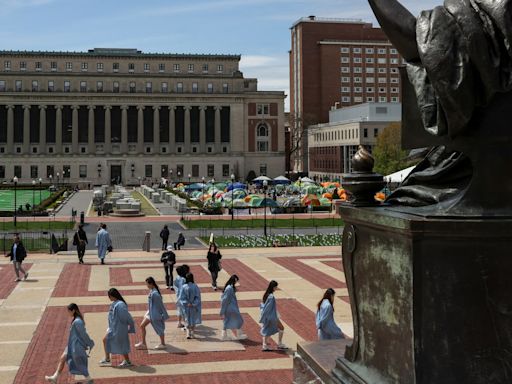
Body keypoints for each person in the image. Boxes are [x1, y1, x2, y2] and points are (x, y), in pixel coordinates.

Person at [45, 303, 94, 384]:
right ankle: (55, 377)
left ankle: (89, 379)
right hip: (71, 345)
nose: (68, 313)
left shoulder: (78, 321)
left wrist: (90, 343)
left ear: (73, 310)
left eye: (68, 311)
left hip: (76, 346)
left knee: (79, 363)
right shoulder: (76, 320)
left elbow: (84, 334)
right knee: (62, 358)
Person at [99, 288, 135, 368]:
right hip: (114, 328)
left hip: (119, 328)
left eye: (109, 296)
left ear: (112, 296)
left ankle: (126, 361)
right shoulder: (115, 303)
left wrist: (130, 326)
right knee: (107, 340)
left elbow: (126, 317)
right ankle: (109, 358)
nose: (109, 298)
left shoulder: (120, 305)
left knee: (120, 343)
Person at [135, 277, 169, 350]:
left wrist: (161, 314)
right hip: (150, 313)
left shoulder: (155, 294)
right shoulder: (152, 291)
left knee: (159, 329)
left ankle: (163, 344)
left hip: (155, 314)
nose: (146, 285)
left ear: (151, 284)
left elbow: (160, 305)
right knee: (142, 326)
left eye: (147, 284)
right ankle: (143, 343)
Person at [259, 280, 287, 351]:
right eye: (276, 287)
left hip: (269, 315)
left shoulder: (266, 295)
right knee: (281, 328)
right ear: (273, 287)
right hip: (272, 316)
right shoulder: (271, 297)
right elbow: (268, 308)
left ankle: (265, 345)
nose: (276, 288)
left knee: (268, 329)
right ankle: (279, 344)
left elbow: (263, 305)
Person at [220, 275, 247, 341]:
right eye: (236, 280)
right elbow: (225, 299)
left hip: (230, 307)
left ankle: (224, 335)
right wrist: (222, 310)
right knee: (239, 320)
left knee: (227, 321)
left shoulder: (230, 287)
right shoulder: (229, 288)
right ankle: (238, 335)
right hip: (231, 308)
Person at [179, 272, 201, 339]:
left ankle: (188, 333)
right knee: (193, 319)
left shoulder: (184, 287)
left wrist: (186, 303)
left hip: (186, 306)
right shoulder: (195, 286)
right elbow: (198, 297)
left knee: (186, 319)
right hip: (193, 306)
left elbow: (181, 297)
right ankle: (193, 333)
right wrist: (194, 303)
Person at [173, 265, 190, 329]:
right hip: (183, 297)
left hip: (178, 296)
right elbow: (184, 288)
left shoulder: (177, 278)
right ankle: (186, 324)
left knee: (179, 310)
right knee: (185, 311)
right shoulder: (184, 279)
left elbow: (175, 286)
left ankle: (179, 323)